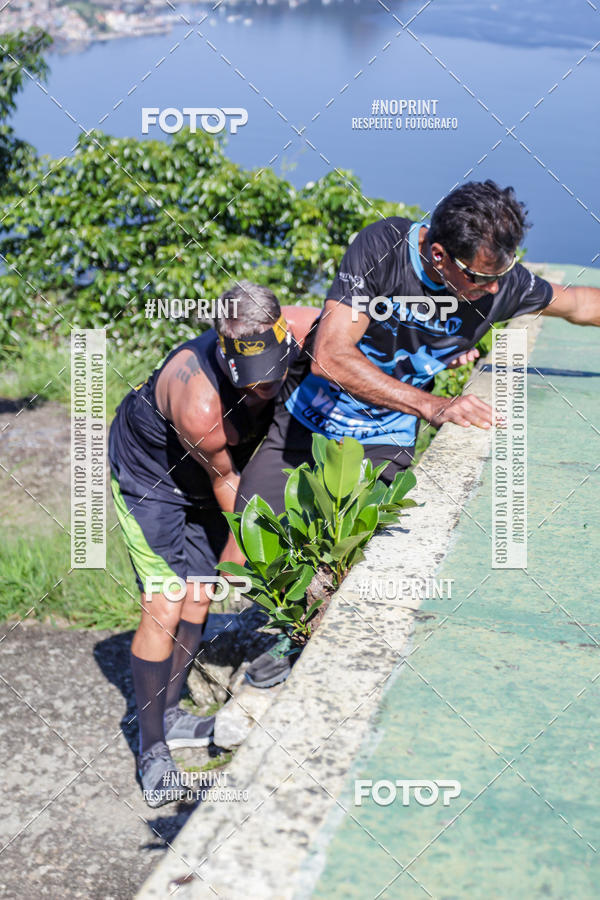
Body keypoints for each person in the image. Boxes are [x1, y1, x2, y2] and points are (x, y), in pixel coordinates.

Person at [238, 180, 600, 688]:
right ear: (437, 255)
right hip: (306, 420)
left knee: (361, 557)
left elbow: (581, 305)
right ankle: (285, 631)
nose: (492, 290)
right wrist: (433, 404)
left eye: (500, 276)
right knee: (258, 537)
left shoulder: (501, 284)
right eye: (478, 278)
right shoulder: (382, 248)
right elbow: (330, 355)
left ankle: (309, 649)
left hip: (385, 437)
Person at [108, 281, 317, 806]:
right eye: (251, 383)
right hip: (152, 478)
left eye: (273, 375)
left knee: (201, 591)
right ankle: (152, 745)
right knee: (167, 598)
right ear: (224, 352)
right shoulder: (201, 401)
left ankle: (173, 710)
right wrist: (262, 557)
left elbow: (364, 332)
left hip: (216, 471)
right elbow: (229, 485)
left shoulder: (300, 322)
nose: (263, 389)